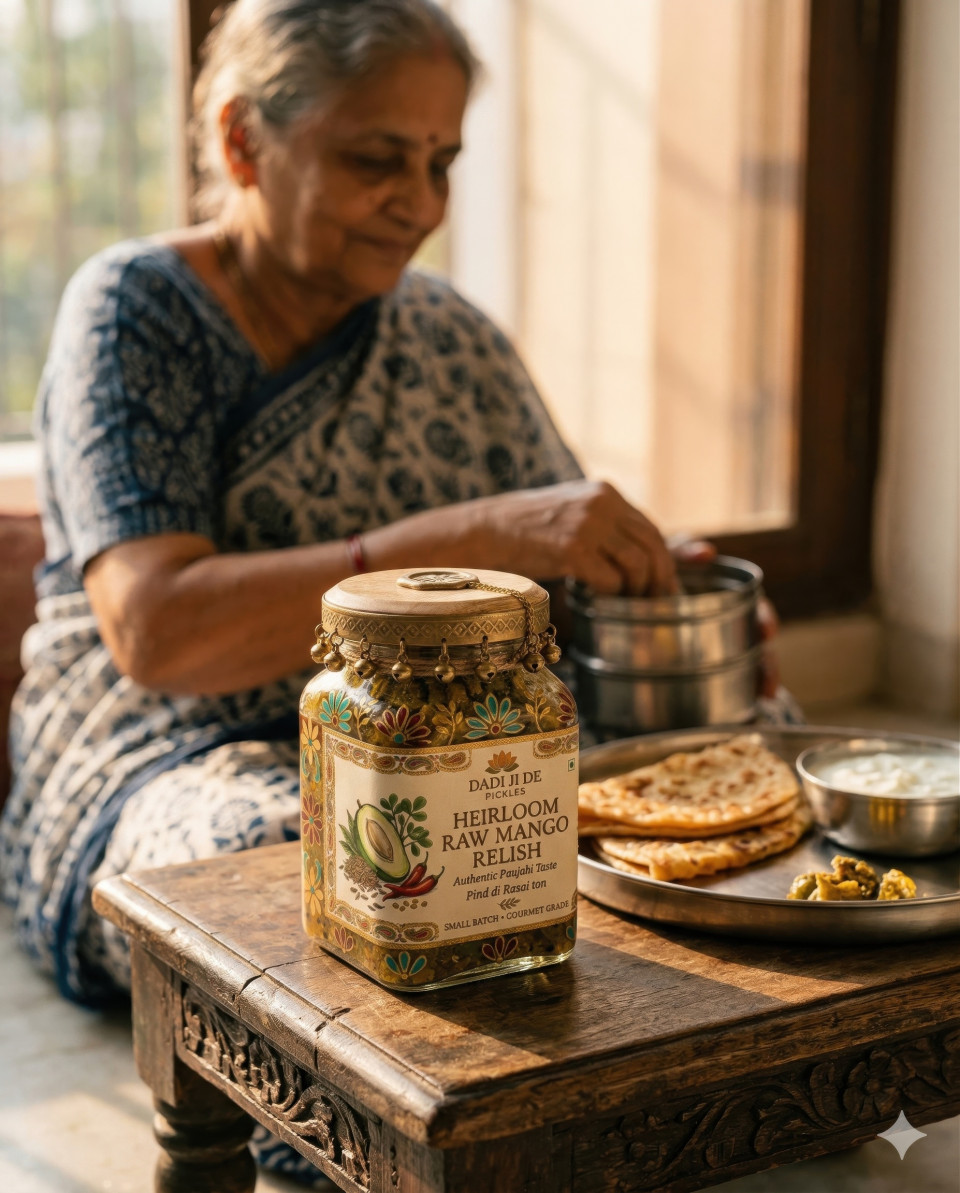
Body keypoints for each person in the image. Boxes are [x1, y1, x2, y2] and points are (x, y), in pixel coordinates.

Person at [0, 2, 780, 1184]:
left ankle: (655, 1092)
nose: (421, 200)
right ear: (246, 140)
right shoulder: (137, 312)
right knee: (366, 860)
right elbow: (155, 631)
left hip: (444, 733)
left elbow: (556, 554)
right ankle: (405, 1140)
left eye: (442, 160)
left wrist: (664, 585)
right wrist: (469, 534)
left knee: (714, 794)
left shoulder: (445, 332)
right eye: (377, 157)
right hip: (177, 751)